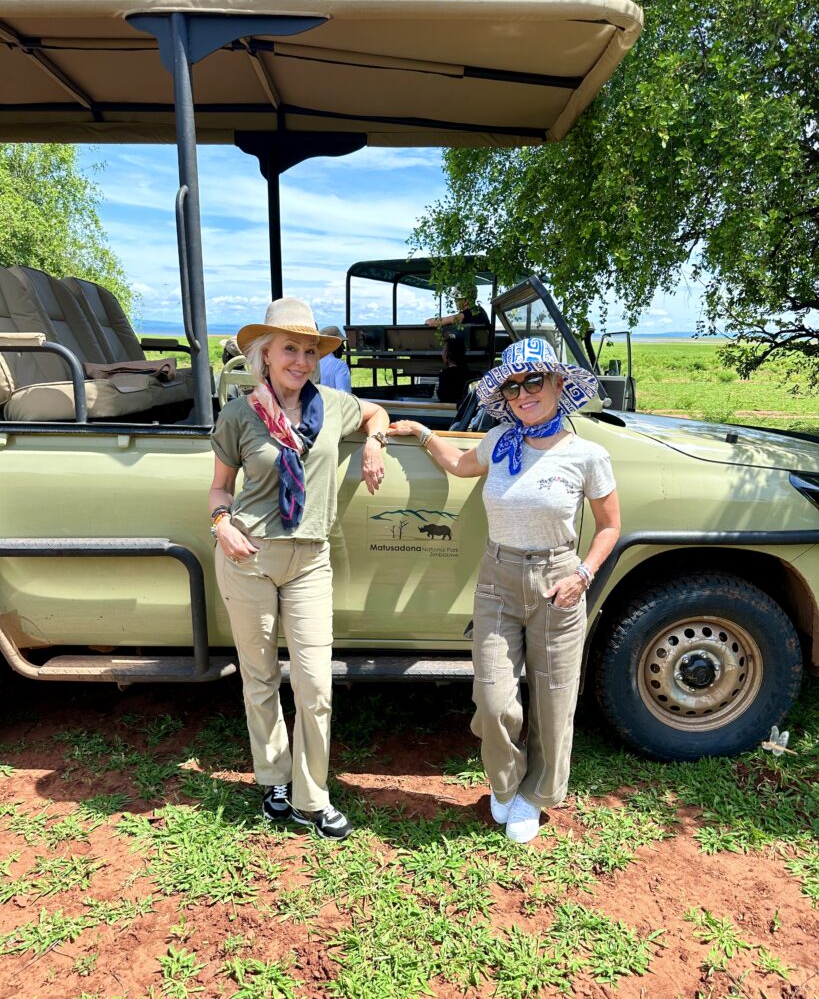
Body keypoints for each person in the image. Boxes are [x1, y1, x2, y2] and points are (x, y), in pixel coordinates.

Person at [388, 338, 620, 844]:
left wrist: (582, 575)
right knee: (493, 701)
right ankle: (506, 781)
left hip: (558, 580)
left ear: (560, 384)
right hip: (496, 578)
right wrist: (423, 433)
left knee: (555, 702)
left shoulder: (587, 455)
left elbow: (608, 527)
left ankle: (535, 796)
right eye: (513, 386)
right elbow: (458, 465)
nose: (523, 393)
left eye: (534, 380)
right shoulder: (499, 442)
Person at [208, 297, 390, 841]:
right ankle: (274, 780)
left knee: (315, 685)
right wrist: (221, 522)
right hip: (249, 557)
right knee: (260, 677)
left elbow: (374, 413)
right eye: (291, 349)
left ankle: (314, 796)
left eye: (310, 351)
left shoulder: (332, 405)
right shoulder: (240, 413)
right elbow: (220, 486)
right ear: (265, 355)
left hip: (311, 559)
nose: (302, 361)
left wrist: (374, 443)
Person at [436, 332, 471, 404]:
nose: (442, 353)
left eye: (443, 350)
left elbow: (443, 396)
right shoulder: (466, 372)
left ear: (447, 354)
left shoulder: (445, 374)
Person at [425, 292, 490, 328]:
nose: (455, 302)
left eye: (457, 300)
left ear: (466, 301)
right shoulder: (480, 310)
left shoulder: (464, 315)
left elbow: (436, 322)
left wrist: (428, 321)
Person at [318, 324, 352, 392]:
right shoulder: (339, 365)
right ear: (333, 345)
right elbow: (345, 396)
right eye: (341, 344)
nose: (344, 348)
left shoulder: (311, 362)